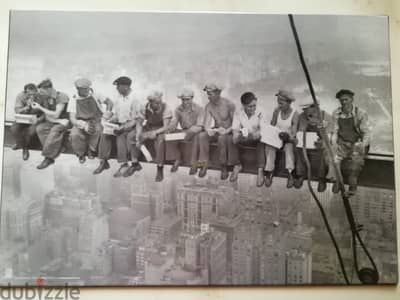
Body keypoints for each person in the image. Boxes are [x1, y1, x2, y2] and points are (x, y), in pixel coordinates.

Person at [93, 76, 143, 177]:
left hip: (133, 126)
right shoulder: (119, 98)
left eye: (118, 86)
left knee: (123, 136)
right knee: (105, 134)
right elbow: (117, 114)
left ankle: (130, 164)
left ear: (125, 87)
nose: (117, 89)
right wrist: (110, 120)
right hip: (120, 125)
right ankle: (103, 161)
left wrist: (123, 127)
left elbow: (136, 119)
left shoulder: (135, 99)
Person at [331, 89, 371, 195]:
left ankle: (352, 188)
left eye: (346, 100)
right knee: (334, 160)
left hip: (357, 143)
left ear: (352, 99)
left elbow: (366, 132)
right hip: (343, 143)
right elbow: (335, 131)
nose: (344, 102)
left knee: (355, 165)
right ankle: (338, 181)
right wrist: (334, 143)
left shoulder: (360, 113)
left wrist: (362, 145)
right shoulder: (336, 113)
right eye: (341, 100)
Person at [68, 78, 113, 163]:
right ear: (78, 89)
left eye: (87, 88)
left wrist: (108, 112)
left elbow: (110, 102)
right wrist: (83, 125)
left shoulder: (96, 95)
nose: (86, 91)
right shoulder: (73, 99)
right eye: (84, 89)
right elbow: (72, 118)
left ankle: (91, 150)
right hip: (81, 122)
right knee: (75, 134)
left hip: (96, 120)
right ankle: (80, 154)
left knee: (98, 129)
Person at [294, 98, 334, 191]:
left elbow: (331, 134)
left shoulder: (326, 117)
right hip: (305, 145)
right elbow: (299, 132)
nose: (304, 111)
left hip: (320, 145)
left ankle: (321, 179)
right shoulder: (301, 117)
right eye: (303, 109)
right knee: (298, 150)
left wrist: (323, 140)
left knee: (324, 153)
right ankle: (301, 175)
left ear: (315, 107)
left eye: (306, 109)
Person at [197, 83, 236, 179]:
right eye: (207, 94)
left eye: (210, 94)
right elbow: (206, 123)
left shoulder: (229, 104)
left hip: (229, 131)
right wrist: (209, 130)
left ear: (218, 93)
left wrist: (227, 131)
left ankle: (223, 166)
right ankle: (204, 163)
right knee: (202, 136)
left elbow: (236, 124)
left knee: (222, 138)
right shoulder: (208, 106)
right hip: (218, 130)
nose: (208, 96)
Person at [263, 89, 299, 188]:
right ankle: (269, 172)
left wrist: (288, 136)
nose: (279, 105)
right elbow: (272, 125)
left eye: (281, 103)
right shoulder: (277, 111)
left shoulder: (295, 114)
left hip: (287, 139)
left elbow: (294, 132)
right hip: (276, 138)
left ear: (289, 103)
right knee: (269, 146)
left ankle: (290, 172)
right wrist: (271, 134)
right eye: (278, 103)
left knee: (289, 148)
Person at [32, 79, 70, 169]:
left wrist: (40, 107)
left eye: (42, 91)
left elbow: (56, 114)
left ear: (49, 89)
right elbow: (47, 115)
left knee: (55, 130)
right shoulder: (46, 97)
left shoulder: (61, 96)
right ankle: (58, 148)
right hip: (55, 121)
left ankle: (48, 158)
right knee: (40, 128)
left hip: (65, 122)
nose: (41, 93)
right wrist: (56, 121)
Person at [231, 92, 265, 185]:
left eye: (254, 106)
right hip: (245, 137)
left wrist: (257, 134)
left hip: (257, 138)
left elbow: (263, 129)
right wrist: (235, 135)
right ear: (243, 105)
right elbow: (235, 128)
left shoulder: (261, 111)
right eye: (250, 106)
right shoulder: (238, 112)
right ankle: (237, 165)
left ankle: (260, 171)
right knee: (233, 140)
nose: (253, 108)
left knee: (262, 143)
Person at [168, 87, 204, 174]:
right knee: (169, 136)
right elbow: (174, 122)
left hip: (196, 131)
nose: (185, 102)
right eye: (183, 100)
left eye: (187, 100)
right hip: (184, 131)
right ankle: (177, 158)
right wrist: (171, 127)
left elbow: (200, 125)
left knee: (196, 137)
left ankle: (194, 164)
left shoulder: (199, 109)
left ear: (192, 98)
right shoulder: (178, 109)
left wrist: (190, 132)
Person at [139, 89, 173, 182]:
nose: (158, 105)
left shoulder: (166, 108)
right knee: (137, 137)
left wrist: (155, 133)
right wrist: (141, 133)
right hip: (149, 127)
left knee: (160, 141)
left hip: (161, 129)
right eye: (156, 103)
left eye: (159, 102)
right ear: (150, 102)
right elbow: (140, 121)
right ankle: (146, 157)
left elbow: (166, 127)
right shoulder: (145, 107)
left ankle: (160, 167)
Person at [10, 83, 43, 160]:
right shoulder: (20, 96)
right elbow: (17, 111)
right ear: (25, 92)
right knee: (13, 128)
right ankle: (19, 143)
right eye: (29, 94)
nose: (32, 96)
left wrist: (39, 120)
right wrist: (26, 107)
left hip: (36, 119)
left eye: (33, 94)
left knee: (29, 132)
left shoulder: (41, 97)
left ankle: (25, 149)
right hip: (23, 118)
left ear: (36, 91)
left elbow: (45, 112)